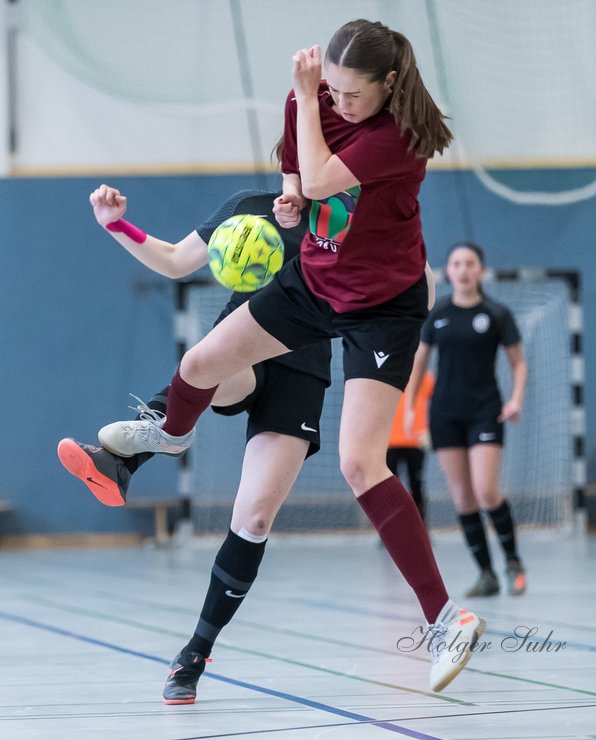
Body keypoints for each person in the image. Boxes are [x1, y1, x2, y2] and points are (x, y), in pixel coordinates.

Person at [90, 19, 486, 693]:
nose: (338, 100)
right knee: (196, 368)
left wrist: (306, 102)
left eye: (351, 93)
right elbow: (301, 192)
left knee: (361, 462)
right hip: (313, 282)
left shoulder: (399, 137)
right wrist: (288, 200)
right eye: (329, 87)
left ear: (388, 86)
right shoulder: (311, 100)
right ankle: (169, 435)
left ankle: (445, 618)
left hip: (381, 310)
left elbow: (327, 179)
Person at [58, 185, 333, 704]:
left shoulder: (342, 223)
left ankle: (195, 652)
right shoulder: (250, 204)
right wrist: (115, 223)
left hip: (303, 369)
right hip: (241, 342)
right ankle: (144, 442)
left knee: (253, 521)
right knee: (206, 367)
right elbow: (174, 260)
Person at [405, 242, 527, 598]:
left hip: (485, 411)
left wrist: (516, 398)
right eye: (456, 263)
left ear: (480, 270)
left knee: (487, 490)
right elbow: (420, 362)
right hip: (444, 413)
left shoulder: (497, 314)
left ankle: (514, 562)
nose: (462, 269)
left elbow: (518, 362)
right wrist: (411, 407)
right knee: (463, 498)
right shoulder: (437, 314)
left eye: (470, 263)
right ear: (448, 271)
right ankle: (486, 574)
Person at [387, 367, 433, 521]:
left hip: (415, 440)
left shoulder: (424, 377)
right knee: (389, 489)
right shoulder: (385, 373)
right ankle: (392, 529)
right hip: (389, 441)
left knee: (417, 486)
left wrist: (429, 430)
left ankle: (421, 528)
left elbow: (438, 401)